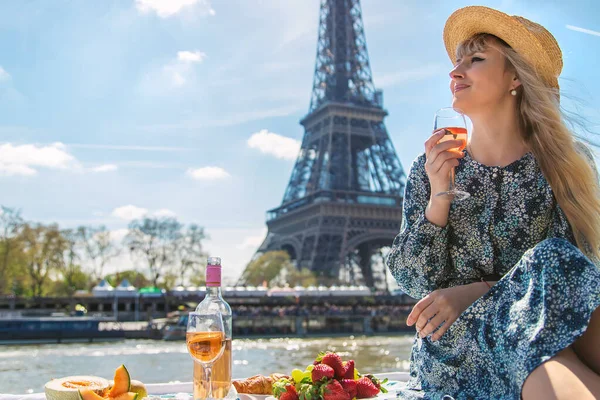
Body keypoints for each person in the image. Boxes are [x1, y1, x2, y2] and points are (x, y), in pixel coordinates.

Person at [386, 5, 600, 400]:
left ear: (515, 77)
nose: (454, 72)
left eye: (475, 59)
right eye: (456, 62)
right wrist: (439, 196)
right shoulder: (429, 169)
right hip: (462, 348)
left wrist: (477, 289)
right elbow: (414, 284)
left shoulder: (565, 165)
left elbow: (570, 276)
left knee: (553, 261)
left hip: (546, 330)